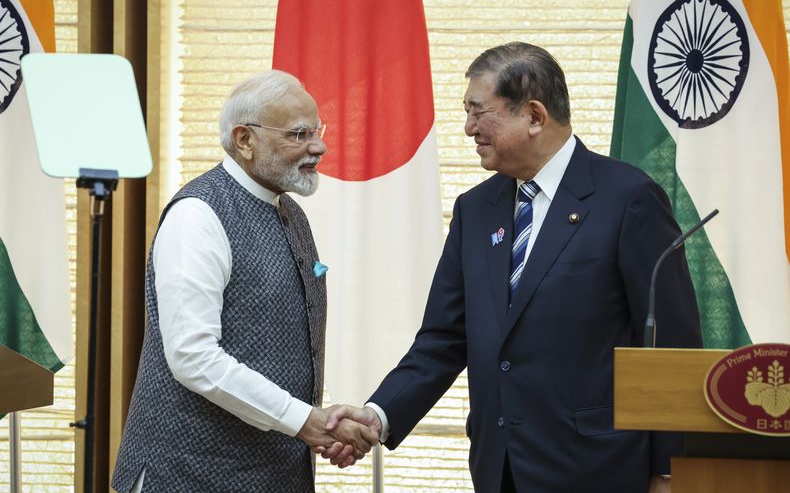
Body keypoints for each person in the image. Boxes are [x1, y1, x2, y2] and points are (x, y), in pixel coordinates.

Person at [322, 43, 702, 492]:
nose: (467, 129)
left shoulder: (628, 198)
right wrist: (378, 414)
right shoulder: (475, 209)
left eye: (478, 112)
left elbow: (671, 345)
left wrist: (669, 470)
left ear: (535, 116)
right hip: (499, 469)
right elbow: (443, 338)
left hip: (599, 469)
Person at [111, 70, 378, 493]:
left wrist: (318, 424)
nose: (319, 146)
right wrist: (305, 421)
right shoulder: (198, 216)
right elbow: (193, 357)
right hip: (188, 476)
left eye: (317, 130)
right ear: (244, 140)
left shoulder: (290, 212)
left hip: (274, 473)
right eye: (298, 134)